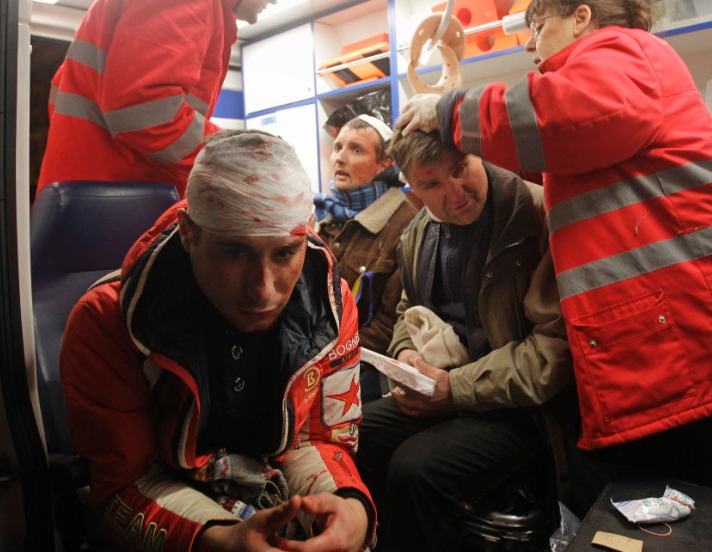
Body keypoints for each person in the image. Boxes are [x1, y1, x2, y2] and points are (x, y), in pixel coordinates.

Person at [396, 0, 712, 501]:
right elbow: (560, 152)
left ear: (581, 17)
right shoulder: (602, 104)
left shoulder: (622, 52)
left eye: (537, 26)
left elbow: (565, 115)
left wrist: (449, 111)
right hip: (700, 343)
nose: (530, 44)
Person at [60, 130, 374, 551]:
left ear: (308, 235)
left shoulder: (331, 309)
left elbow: (317, 439)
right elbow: (124, 482)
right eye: (234, 253)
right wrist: (222, 541)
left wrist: (350, 509)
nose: (261, 290)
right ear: (188, 232)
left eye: (284, 253)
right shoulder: (107, 321)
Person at [355, 128, 584, 550]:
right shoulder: (419, 232)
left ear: (479, 156)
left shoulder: (537, 216)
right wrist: (405, 354)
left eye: (460, 170)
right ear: (412, 187)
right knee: (357, 433)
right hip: (446, 388)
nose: (455, 193)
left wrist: (453, 389)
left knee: (415, 469)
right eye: (432, 184)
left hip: (524, 408)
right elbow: (408, 309)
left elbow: (554, 353)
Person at [36, 0, 273, 199]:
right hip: (117, 199)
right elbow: (145, 111)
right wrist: (238, 158)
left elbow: (64, 94)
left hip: (88, 195)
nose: (274, 1)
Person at [313, 115, 418, 399]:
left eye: (356, 150)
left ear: (386, 163)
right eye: (337, 147)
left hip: (365, 368)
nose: (340, 158)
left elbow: (392, 322)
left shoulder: (407, 225)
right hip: (313, 357)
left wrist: (327, 359)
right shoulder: (322, 216)